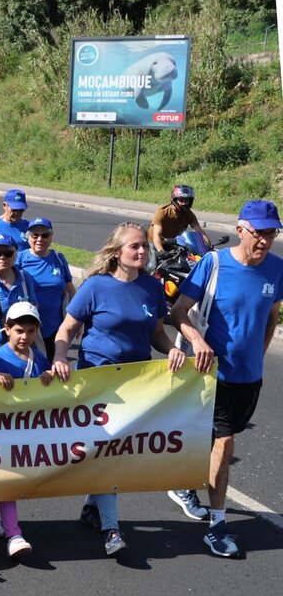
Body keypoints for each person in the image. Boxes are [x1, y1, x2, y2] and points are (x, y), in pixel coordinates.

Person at [52, 222, 186, 557]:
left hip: (137, 382)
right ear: (116, 253)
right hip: (98, 382)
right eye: (135, 247)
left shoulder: (152, 288)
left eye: (144, 246)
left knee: (114, 452)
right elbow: (67, 329)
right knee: (109, 453)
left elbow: (156, 332)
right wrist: (59, 357)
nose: (142, 251)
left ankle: (91, 508)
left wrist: (170, 348)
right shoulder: (96, 287)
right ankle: (112, 529)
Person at [169, 200, 283, 558]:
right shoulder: (214, 263)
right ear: (240, 230)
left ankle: (184, 484)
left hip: (250, 377)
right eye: (259, 232)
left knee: (209, 440)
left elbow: (271, 317)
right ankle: (217, 527)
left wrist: (258, 355)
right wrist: (198, 341)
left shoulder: (278, 269)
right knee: (225, 442)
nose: (265, 240)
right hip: (212, 374)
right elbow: (178, 311)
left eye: (271, 233)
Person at [0, 301, 54, 559]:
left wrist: (49, 378)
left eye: (31, 331)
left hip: (24, 432)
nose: (25, 337)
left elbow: (51, 389)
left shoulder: (39, 359)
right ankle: (14, 534)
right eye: (19, 331)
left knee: (6, 478)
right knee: (8, 479)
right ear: (7, 329)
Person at [15, 217, 75, 359]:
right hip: (28, 328)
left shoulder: (59, 259)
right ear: (28, 237)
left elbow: (70, 290)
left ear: (51, 237)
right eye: (35, 235)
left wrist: (75, 320)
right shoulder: (19, 260)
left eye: (45, 235)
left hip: (56, 328)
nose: (40, 239)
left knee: (55, 367)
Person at [149, 184, 209, 252]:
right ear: (174, 199)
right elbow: (156, 235)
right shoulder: (162, 212)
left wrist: (208, 246)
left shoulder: (189, 214)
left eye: (186, 200)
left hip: (170, 244)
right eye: (181, 200)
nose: (184, 203)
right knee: (154, 261)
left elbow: (199, 232)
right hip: (153, 245)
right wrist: (161, 252)